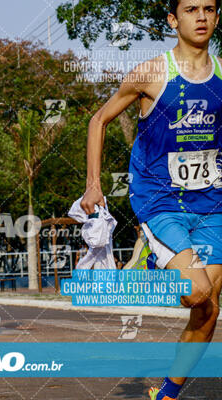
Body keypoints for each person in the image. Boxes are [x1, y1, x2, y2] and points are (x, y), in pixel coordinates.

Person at [80, 1, 222, 398]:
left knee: (207, 310)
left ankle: (166, 394)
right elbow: (98, 121)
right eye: (191, 9)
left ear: (217, 17)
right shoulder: (152, 73)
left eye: (209, 8)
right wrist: (94, 184)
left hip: (213, 205)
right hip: (161, 202)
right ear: (174, 21)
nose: (202, 16)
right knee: (196, 291)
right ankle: (151, 259)